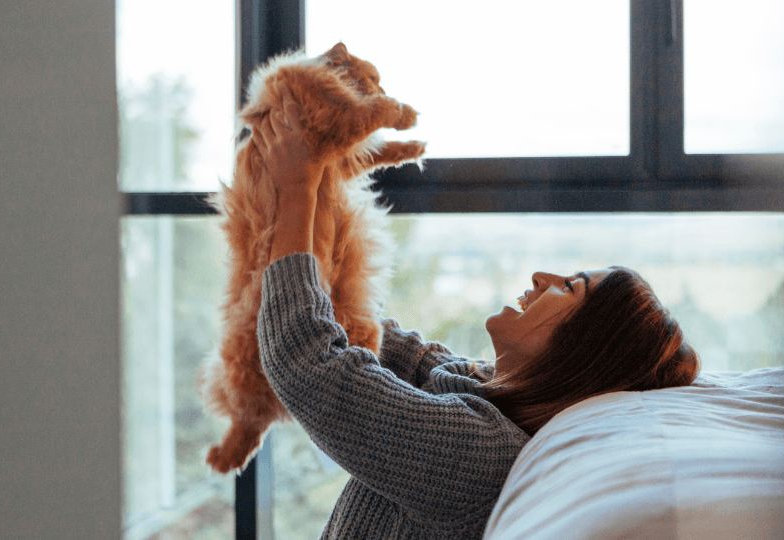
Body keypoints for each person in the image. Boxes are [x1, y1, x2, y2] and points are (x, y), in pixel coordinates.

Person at [250, 109, 701, 539]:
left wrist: (298, 187)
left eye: (570, 287)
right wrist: (321, 187)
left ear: (583, 350)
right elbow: (366, 333)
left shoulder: (479, 453)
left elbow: (307, 360)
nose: (542, 277)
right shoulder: (478, 385)